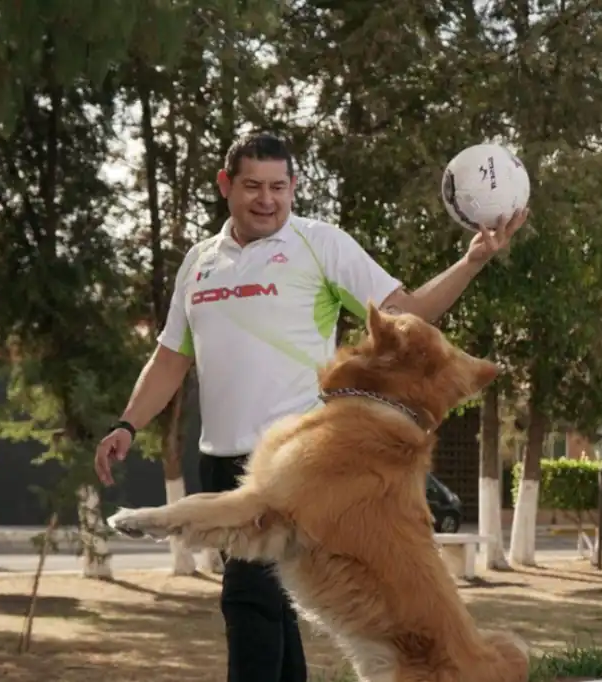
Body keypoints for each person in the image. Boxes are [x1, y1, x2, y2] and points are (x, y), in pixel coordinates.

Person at [95, 131, 527, 682]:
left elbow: (411, 312)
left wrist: (472, 261)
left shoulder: (321, 245)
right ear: (226, 185)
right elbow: (168, 361)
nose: (266, 199)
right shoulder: (198, 263)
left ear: (294, 187)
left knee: (246, 602)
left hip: (302, 464)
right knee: (274, 610)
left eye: (279, 186)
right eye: (252, 186)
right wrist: (127, 423)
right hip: (222, 460)